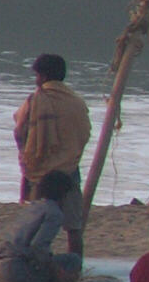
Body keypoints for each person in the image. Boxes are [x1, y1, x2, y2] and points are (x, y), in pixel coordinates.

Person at [13, 53, 91, 255]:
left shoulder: (35, 101)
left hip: (41, 175)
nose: (36, 80)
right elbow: (84, 134)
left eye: (37, 76)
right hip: (68, 172)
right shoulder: (77, 102)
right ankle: (75, 267)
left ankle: (26, 263)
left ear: (44, 76)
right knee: (74, 228)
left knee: (34, 224)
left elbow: (20, 131)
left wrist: (27, 157)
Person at [0, 170, 83, 282]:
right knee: (73, 260)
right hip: (17, 274)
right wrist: (59, 272)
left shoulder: (33, 207)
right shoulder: (54, 213)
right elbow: (38, 246)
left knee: (19, 252)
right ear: (64, 194)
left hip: (1, 271)